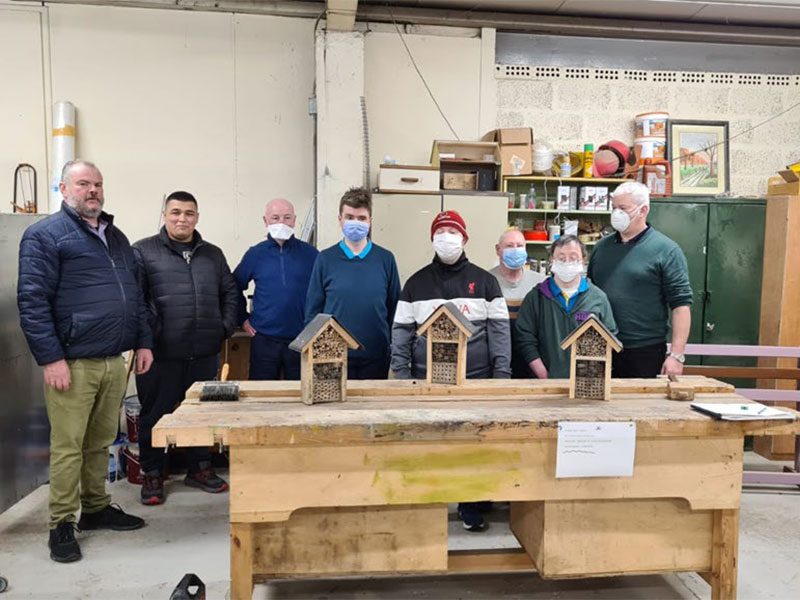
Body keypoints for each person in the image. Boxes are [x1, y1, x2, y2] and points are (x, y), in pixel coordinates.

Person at [17, 160, 152, 563]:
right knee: (67, 447)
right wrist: (51, 357)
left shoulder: (117, 237)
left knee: (99, 442)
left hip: (113, 360)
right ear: (63, 188)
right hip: (71, 363)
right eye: (82, 184)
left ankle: (95, 508)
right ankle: (61, 522)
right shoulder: (44, 235)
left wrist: (142, 342)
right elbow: (32, 301)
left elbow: (135, 294)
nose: (92, 190)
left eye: (97, 184)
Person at [391, 210, 511, 532]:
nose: (447, 237)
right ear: (432, 238)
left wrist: (502, 374)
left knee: (471, 445)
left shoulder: (486, 282)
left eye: (453, 232)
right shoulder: (415, 283)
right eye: (441, 231)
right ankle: (426, 504)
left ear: (465, 238)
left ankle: (469, 504)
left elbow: (500, 331)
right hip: (425, 378)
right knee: (428, 444)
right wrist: (400, 374)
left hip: (475, 379)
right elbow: (401, 331)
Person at [133, 191, 242, 505]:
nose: (182, 219)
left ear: (197, 217)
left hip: (204, 351)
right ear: (165, 215)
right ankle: (153, 473)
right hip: (160, 353)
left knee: (200, 412)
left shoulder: (213, 254)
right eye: (176, 212)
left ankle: (200, 469)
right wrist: (149, 336)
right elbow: (137, 300)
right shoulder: (143, 251)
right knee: (155, 414)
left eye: (189, 213)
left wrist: (223, 327)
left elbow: (230, 293)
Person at [587, 181, 692, 377]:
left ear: (643, 210)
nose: (616, 213)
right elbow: (589, 293)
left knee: (641, 406)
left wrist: (677, 356)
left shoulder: (666, 250)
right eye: (614, 208)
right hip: (601, 346)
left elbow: (681, 306)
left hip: (644, 350)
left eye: (623, 208)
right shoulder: (601, 248)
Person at [305, 187, 401, 379]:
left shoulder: (385, 259)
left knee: (372, 408)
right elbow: (313, 311)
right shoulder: (325, 259)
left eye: (361, 218)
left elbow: (394, 308)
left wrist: (395, 348)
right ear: (340, 220)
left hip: (376, 354)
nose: (355, 223)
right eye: (349, 217)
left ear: (370, 221)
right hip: (332, 355)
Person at [233, 198, 318, 380]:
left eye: (287, 218)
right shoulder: (255, 254)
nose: (282, 223)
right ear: (265, 221)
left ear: (294, 220)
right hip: (264, 339)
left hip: (301, 339)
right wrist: (243, 318)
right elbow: (233, 287)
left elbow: (324, 291)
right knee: (262, 394)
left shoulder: (311, 255)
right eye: (275, 218)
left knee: (299, 395)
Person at [515, 235, 617, 378]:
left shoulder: (597, 298)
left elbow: (610, 338)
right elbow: (525, 339)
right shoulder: (536, 297)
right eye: (561, 258)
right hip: (544, 382)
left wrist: (590, 374)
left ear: (583, 260)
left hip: (586, 382)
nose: (567, 263)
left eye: (573, 257)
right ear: (552, 260)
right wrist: (543, 375)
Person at [488, 228, 546, 377]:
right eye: (509, 246)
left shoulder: (541, 283)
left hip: (532, 361)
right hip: (495, 360)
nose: (515, 250)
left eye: (520, 246)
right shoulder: (487, 281)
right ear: (498, 249)